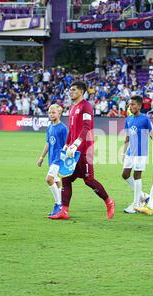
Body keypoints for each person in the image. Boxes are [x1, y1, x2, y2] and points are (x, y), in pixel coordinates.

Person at [49, 81, 115, 220]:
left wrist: (76, 144)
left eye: (73, 90)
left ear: (81, 91)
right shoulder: (73, 108)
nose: (70, 92)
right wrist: (67, 144)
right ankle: (64, 211)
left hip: (84, 150)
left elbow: (86, 127)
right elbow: (72, 129)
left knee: (89, 180)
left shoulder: (86, 106)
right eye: (70, 90)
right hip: (72, 151)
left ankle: (109, 202)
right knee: (66, 178)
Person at [122, 95, 153, 214]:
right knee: (125, 174)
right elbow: (127, 137)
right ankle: (143, 196)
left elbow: (151, 133)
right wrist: (123, 152)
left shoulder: (145, 119)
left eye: (133, 104)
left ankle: (136, 204)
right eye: (129, 104)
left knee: (137, 175)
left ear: (139, 106)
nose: (130, 106)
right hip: (130, 152)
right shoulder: (128, 119)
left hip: (141, 152)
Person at [37, 104, 68, 217]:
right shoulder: (50, 127)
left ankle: (58, 204)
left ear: (59, 114)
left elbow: (67, 144)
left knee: (49, 179)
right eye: (50, 112)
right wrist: (41, 157)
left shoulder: (63, 128)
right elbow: (48, 143)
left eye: (53, 112)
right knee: (57, 181)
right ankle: (62, 205)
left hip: (58, 159)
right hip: (52, 158)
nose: (51, 114)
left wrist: (64, 158)